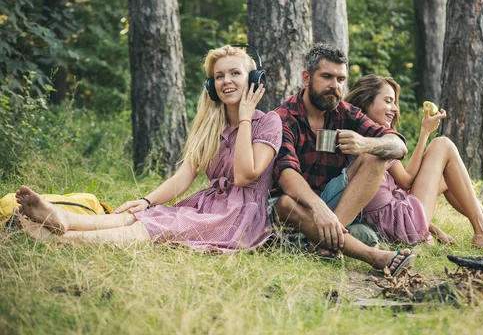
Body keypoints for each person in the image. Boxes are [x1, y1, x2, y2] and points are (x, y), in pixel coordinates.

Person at [14, 45, 282, 253]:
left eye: (235, 73)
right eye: (219, 76)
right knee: (144, 215)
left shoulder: (268, 122)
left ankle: (64, 240)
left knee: (157, 226)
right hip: (209, 206)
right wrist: (146, 201)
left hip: (241, 216)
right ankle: (63, 218)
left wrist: (245, 117)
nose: (227, 81)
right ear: (212, 87)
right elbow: (184, 176)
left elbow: (245, 175)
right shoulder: (212, 126)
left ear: (254, 79)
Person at [271, 43, 414, 276]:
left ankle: (324, 240)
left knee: (376, 155)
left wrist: (366, 144)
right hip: (296, 202)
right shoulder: (284, 117)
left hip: (334, 204)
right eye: (327, 77)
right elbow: (287, 175)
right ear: (307, 78)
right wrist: (319, 210)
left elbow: (398, 146)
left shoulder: (346, 113)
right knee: (285, 203)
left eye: (340, 79)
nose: (334, 86)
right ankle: (375, 257)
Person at [345, 74, 483, 249]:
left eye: (395, 102)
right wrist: (425, 132)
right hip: (398, 225)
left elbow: (399, 188)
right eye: (388, 101)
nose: (395, 109)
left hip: (391, 222)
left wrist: (433, 229)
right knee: (442, 144)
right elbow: (407, 180)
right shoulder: (374, 141)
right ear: (366, 102)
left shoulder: (358, 136)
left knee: (449, 179)